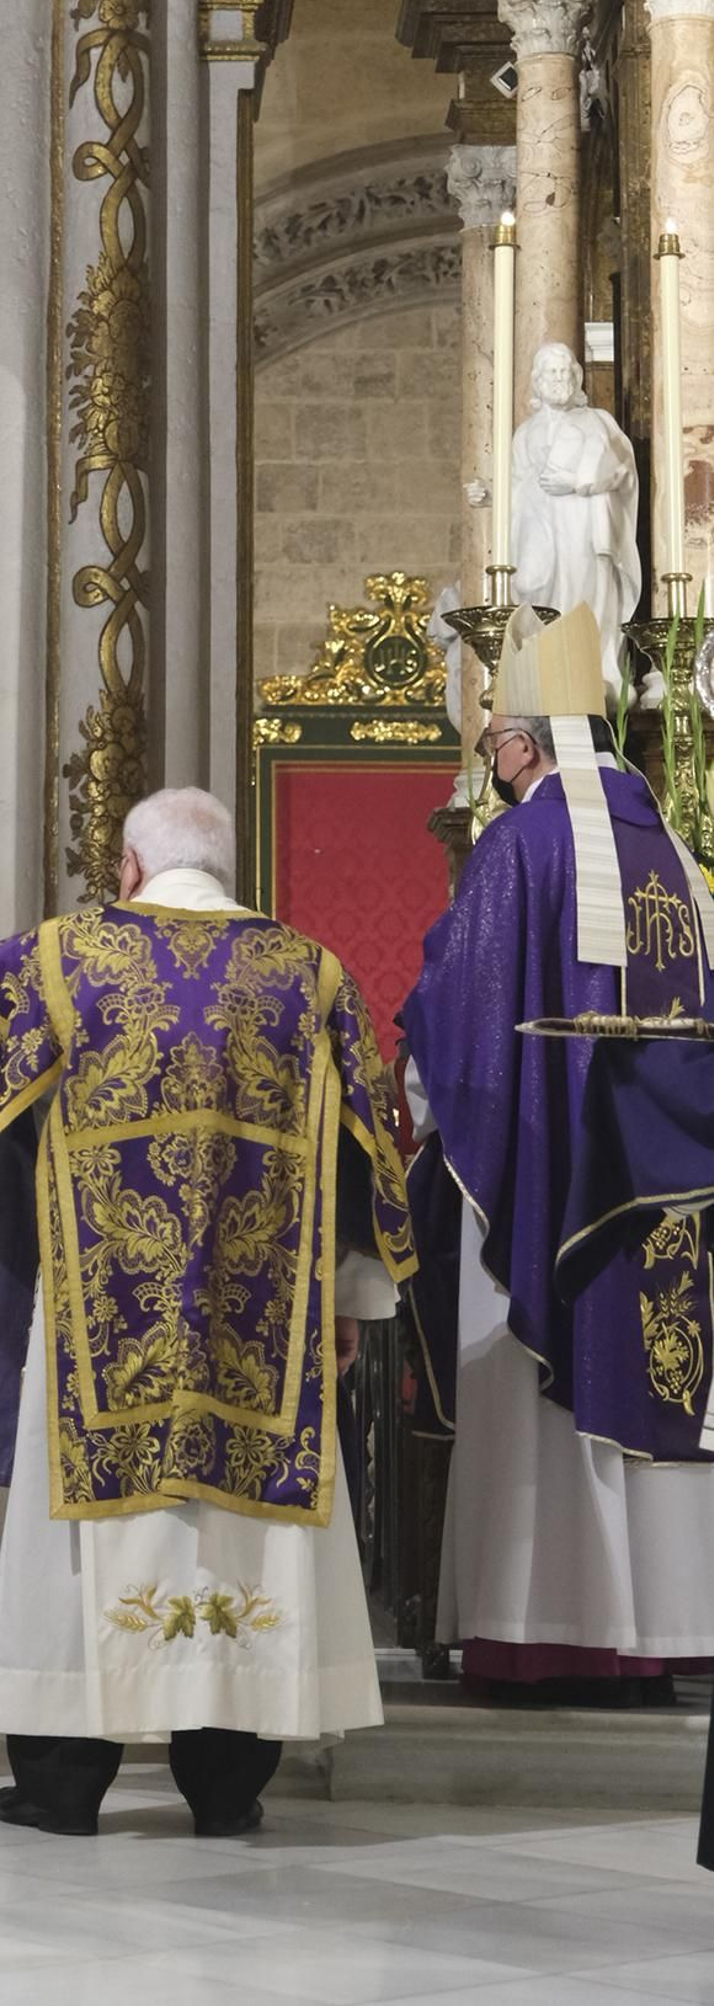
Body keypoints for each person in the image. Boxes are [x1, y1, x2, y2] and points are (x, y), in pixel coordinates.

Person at [0, 785, 415, 1839]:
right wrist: (351, 1301)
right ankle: (226, 1785)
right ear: (227, 870)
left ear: (128, 869)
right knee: (242, 1535)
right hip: (263, 1341)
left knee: (78, 1546)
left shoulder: (59, 956)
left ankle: (61, 1783)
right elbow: (372, 1150)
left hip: (97, 1324)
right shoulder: (308, 974)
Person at [402, 604, 714, 1700]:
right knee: (661, 1366)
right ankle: (659, 1633)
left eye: (489, 737)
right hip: (667, 1196)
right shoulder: (672, 852)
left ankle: (544, 1630)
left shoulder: (520, 843)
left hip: (546, 1182)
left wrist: (416, 1073)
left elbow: (460, 1011)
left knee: (544, 1381)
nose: (487, 756)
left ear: (524, 744)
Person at [507, 342, 639, 704]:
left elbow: (621, 470)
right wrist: (488, 495)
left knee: (583, 601)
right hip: (539, 533)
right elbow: (514, 484)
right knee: (533, 591)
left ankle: (586, 675)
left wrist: (579, 484)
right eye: (552, 371)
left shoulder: (596, 421)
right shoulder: (525, 433)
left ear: (577, 377)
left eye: (566, 371)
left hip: (581, 530)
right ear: (537, 380)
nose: (560, 377)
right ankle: (545, 673)